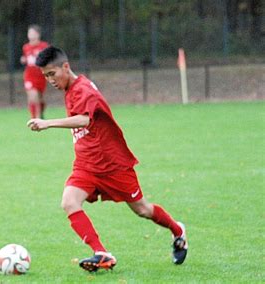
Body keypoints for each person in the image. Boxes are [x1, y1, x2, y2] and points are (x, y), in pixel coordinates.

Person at [27, 46, 188, 272]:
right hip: (87, 164)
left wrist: (47, 122)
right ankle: (101, 253)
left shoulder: (84, 89)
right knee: (69, 201)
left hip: (113, 164)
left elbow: (84, 120)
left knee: (142, 209)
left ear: (65, 67)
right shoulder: (70, 88)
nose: (50, 80)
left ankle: (177, 230)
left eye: (52, 74)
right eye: (45, 76)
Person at [20, 25, 49, 119]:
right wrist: (23, 59)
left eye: (33, 33)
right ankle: (35, 117)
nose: (31, 35)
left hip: (41, 75)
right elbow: (26, 58)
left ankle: (41, 110)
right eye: (29, 33)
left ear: (38, 35)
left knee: (39, 97)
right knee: (32, 96)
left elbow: (48, 58)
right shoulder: (26, 47)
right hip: (29, 75)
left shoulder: (44, 46)